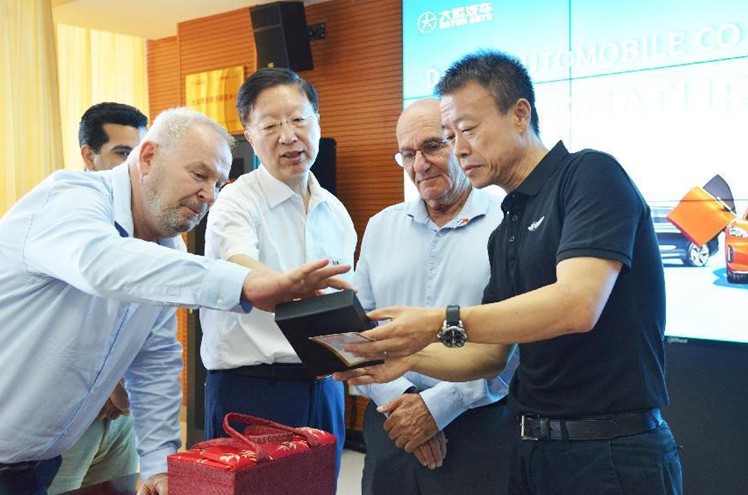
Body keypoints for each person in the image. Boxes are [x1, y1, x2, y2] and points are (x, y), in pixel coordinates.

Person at [337, 50, 683, 495]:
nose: (459, 149)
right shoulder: (507, 227)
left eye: (467, 130)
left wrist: (437, 323)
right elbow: (489, 356)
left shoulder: (589, 175)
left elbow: (578, 304)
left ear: (520, 114)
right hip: (531, 450)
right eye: (450, 136)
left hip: (610, 451)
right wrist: (408, 357)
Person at [0, 106, 351, 495]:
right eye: (200, 176)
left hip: (34, 464)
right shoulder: (70, 197)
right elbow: (100, 264)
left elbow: (154, 361)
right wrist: (245, 283)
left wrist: (157, 463)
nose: (209, 196)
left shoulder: (167, 248)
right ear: (149, 157)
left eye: (218, 184)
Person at [354, 98, 518, 495]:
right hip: (390, 424)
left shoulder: (508, 223)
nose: (420, 164)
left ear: (460, 143)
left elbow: (519, 338)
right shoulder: (380, 227)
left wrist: (438, 406)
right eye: (407, 154)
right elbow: (359, 332)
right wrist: (404, 400)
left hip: (479, 428)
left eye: (432, 146)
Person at [199, 67, 357, 478]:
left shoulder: (335, 212)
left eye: (299, 119)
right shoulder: (235, 201)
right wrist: (289, 287)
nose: (288, 136)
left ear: (318, 122)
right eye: (270, 125)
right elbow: (236, 265)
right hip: (253, 389)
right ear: (249, 136)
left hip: (325, 388)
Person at [48, 102, 148, 494]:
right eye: (122, 153)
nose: (134, 166)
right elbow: (57, 326)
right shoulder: (61, 219)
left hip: (121, 413)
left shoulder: (142, 224)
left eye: (141, 154)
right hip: (66, 416)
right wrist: (101, 384)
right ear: (89, 156)